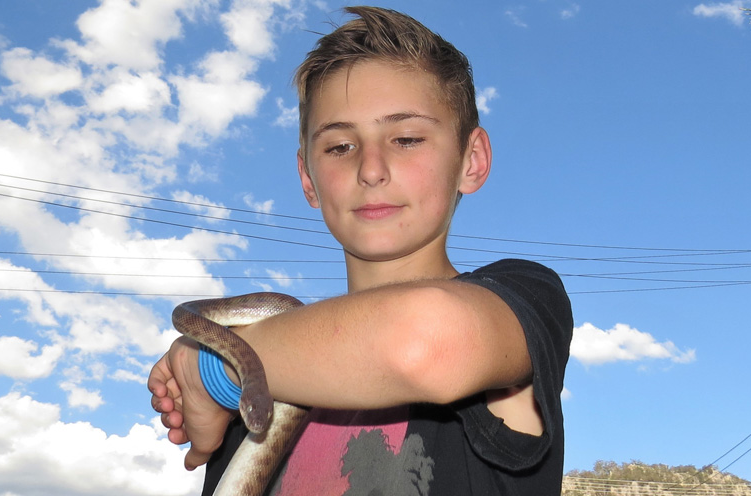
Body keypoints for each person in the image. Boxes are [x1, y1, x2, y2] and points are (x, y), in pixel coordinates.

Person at [148, 6, 573, 495]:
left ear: (471, 160)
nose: (371, 169)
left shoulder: (521, 300)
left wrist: (213, 370)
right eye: (339, 147)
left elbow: (423, 342)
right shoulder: (254, 405)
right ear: (308, 179)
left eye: (406, 138)